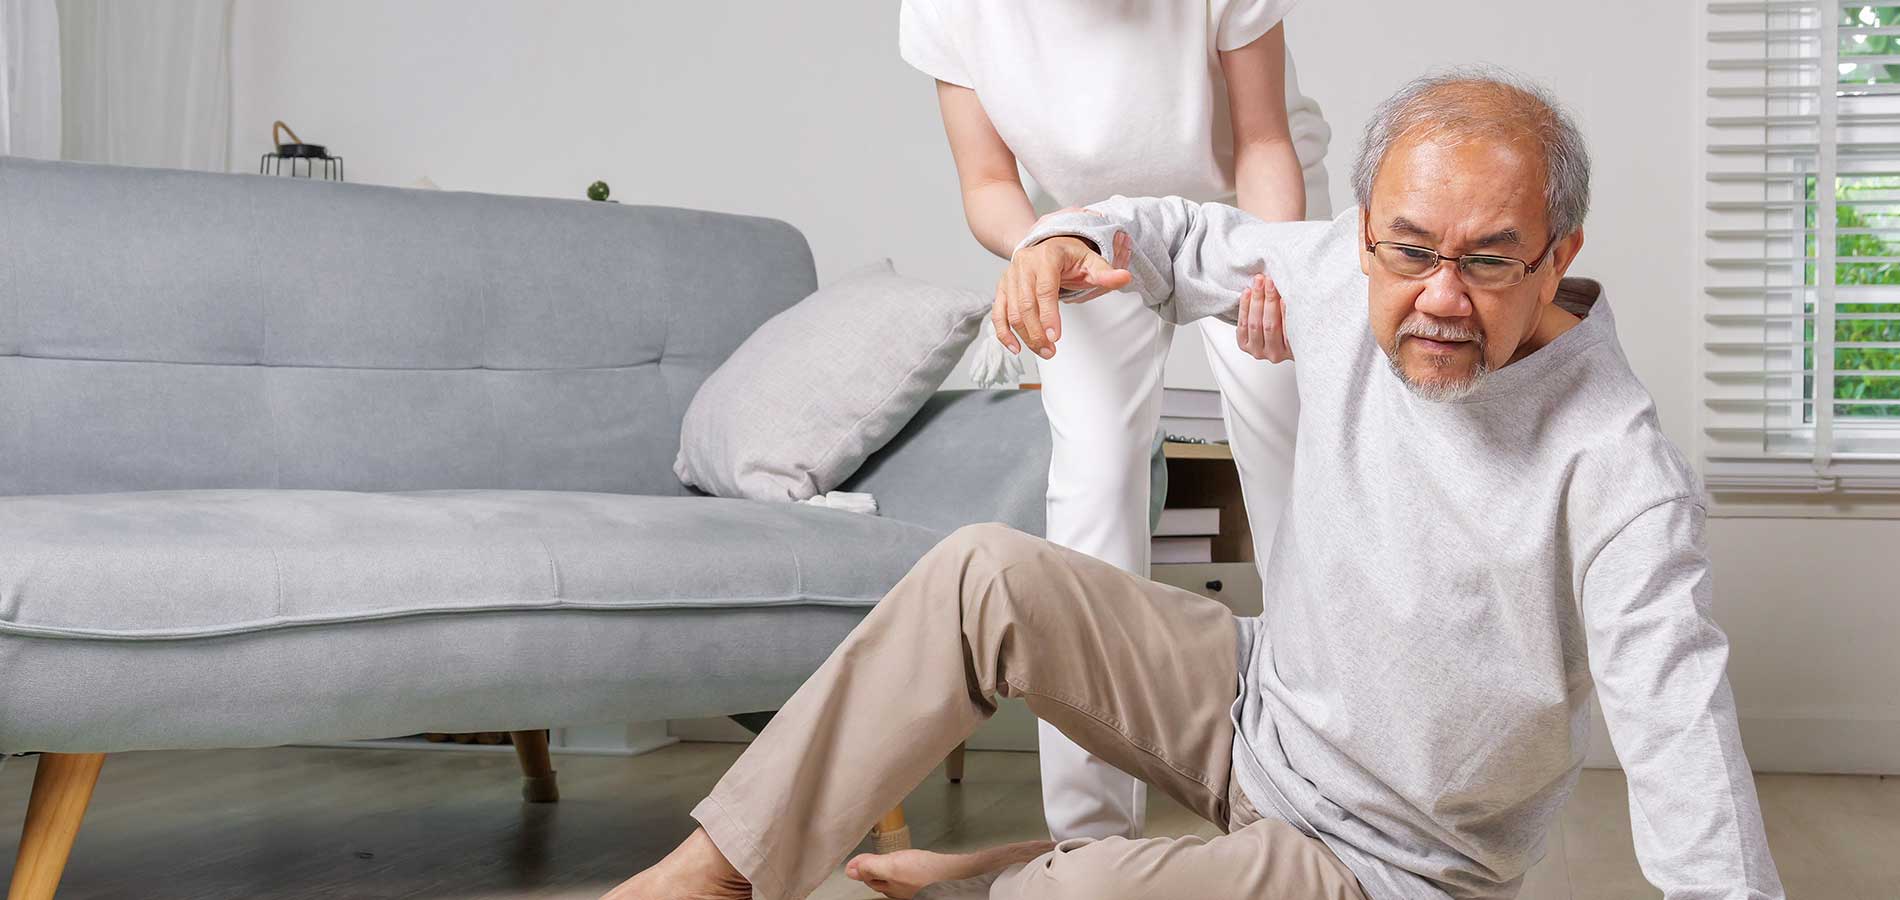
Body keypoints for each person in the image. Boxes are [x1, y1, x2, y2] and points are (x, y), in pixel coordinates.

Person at [605, 71, 1785, 900]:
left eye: (1486, 261)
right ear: (1366, 229)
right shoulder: (1341, 263)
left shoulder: (1616, 467)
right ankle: (711, 877)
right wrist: (1061, 240)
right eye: (1410, 249)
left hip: (1390, 859)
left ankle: (1012, 876)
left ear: (1556, 255)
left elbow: (1680, 727)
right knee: (982, 575)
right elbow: (1169, 234)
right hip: (1257, 707)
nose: (1437, 294)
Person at [897, 0, 1333, 845]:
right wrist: (1042, 249)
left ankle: (1316, 803)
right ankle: (1088, 839)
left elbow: (1264, 142)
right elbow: (988, 183)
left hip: (1250, 214)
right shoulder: (950, 8)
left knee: (1291, 481)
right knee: (1092, 498)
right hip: (1086, 232)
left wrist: (1280, 268)